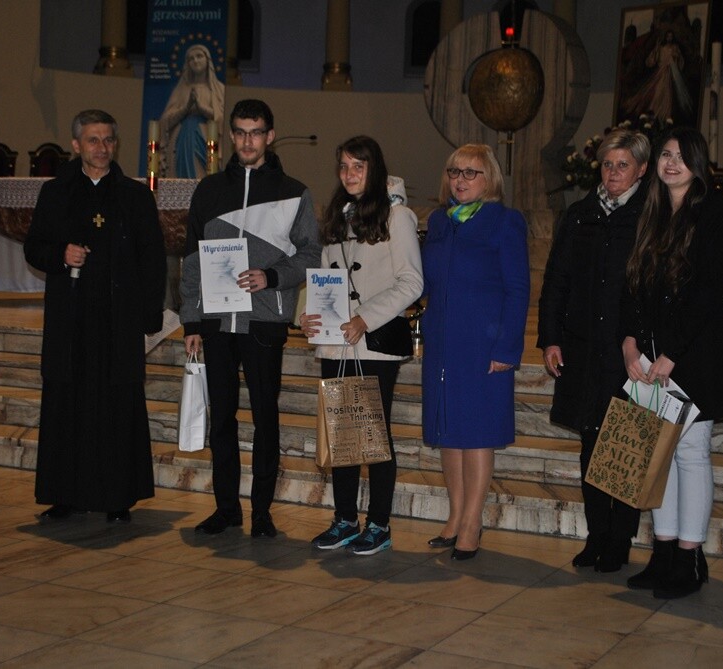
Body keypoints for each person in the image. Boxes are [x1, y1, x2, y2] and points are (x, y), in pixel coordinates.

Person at [180, 99, 321, 538]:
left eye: (255, 132)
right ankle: (227, 509)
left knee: (265, 418)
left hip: (264, 321)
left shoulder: (294, 192)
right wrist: (191, 322)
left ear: (269, 136)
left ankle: (261, 512)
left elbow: (312, 255)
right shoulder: (208, 191)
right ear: (231, 135)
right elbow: (191, 259)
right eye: (240, 132)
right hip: (216, 323)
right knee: (221, 418)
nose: (247, 141)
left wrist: (272, 276)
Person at [24, 109, 166, 524]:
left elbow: (153, 259)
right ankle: (64, 495)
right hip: (70, 323)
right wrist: (60, 254)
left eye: (108, 140)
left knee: (116, 409)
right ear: (76, 145)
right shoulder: (55, 192)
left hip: (118, 323)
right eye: (93, 140)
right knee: (67, 407)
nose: (102, 148)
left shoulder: (135, 196)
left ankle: (118, 498)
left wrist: (149, 316)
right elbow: (34, 247)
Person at [621, 127, 723, 599]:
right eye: (665, 154)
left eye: (680, 155)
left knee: (691, 454)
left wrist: (672, 353)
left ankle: (690, 558)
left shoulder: (717, 212)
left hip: (696, 354)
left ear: (698, 163)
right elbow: (632, 286)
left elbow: (711, 288)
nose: (671, 162)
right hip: (652, 356)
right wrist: (629, 342)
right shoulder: (649, 213)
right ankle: (664, 552)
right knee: (659, 455)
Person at [300, 136, 423, 556]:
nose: (349, 174)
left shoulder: (397, 216)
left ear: (375, 169)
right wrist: (310, 315)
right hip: (336, 345)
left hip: (373, 343)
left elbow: (412, 282)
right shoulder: (338, 217)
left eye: (358, 166)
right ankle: (345, 519)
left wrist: (364, 318)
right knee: (342, 437)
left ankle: (380, 524)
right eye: (344, 166)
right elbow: (324, 279)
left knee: (374, 436)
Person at [538, 129, 651, 573]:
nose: (613, 173)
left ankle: (619, 539)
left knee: (624, 446)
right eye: (607, 164)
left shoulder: (650, 216)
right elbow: (557, 280)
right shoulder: (580, 214)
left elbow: (653, 287)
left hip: (628, 351)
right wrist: (551, 337)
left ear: (641, 170)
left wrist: (637, 339)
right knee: (591, 442)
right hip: (583, 348)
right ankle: (596, 535)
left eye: (623, 165)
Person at [420, 144, 530, 561]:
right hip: (443, 342)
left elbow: (518, 289)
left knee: (478, 434)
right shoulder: (439, 221)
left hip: (484, 346)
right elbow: (423, 281)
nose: (460, 180)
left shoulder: (504, 221)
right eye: (454, 172)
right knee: (448, 431)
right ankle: (454, 516)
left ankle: (472, 522)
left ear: (490, 179)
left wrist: (507, 347)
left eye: (471, 173)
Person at [160, 43, 225, 179]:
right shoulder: (181, 89)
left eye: (199, 56)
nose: (195, 61)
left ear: (208, 60)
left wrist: (201, 108)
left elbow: (222, 119)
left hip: (206, 139)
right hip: (182, 139)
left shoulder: (218, 89)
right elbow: (166, 120)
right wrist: (186, 108)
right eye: (191, 58)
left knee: (206, 178)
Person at [623, 30, 693, 125]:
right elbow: (654, 59)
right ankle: (655, 113)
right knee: (657, 91)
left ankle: (666, 115)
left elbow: (680, 60)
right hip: (661, 71)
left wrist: (675, 58)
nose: (669, 38)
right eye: (668, 36)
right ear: (665, 37)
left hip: (672, 71)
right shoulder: (661, 47)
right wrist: (656, 48)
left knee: (670, 93)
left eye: (671, 36)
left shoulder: (675, 47)